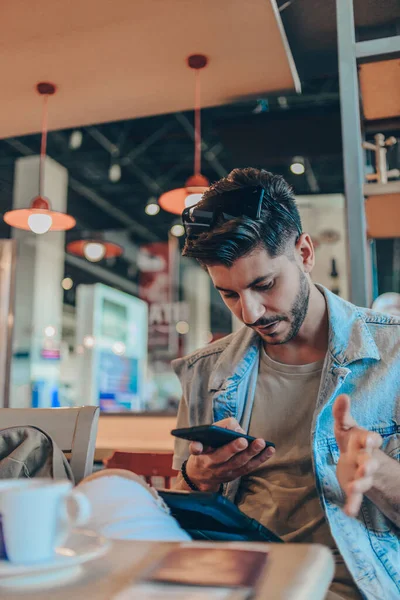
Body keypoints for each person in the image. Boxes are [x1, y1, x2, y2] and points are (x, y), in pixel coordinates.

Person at [171, 168, 400, 600]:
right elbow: (182, 505)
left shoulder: (395, 353)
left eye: (264, 284)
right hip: (236, 579)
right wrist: (198, 478)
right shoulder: (203, 373)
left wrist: (382, 475)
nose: (251, 312)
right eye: (230, 294)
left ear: (305, 252)